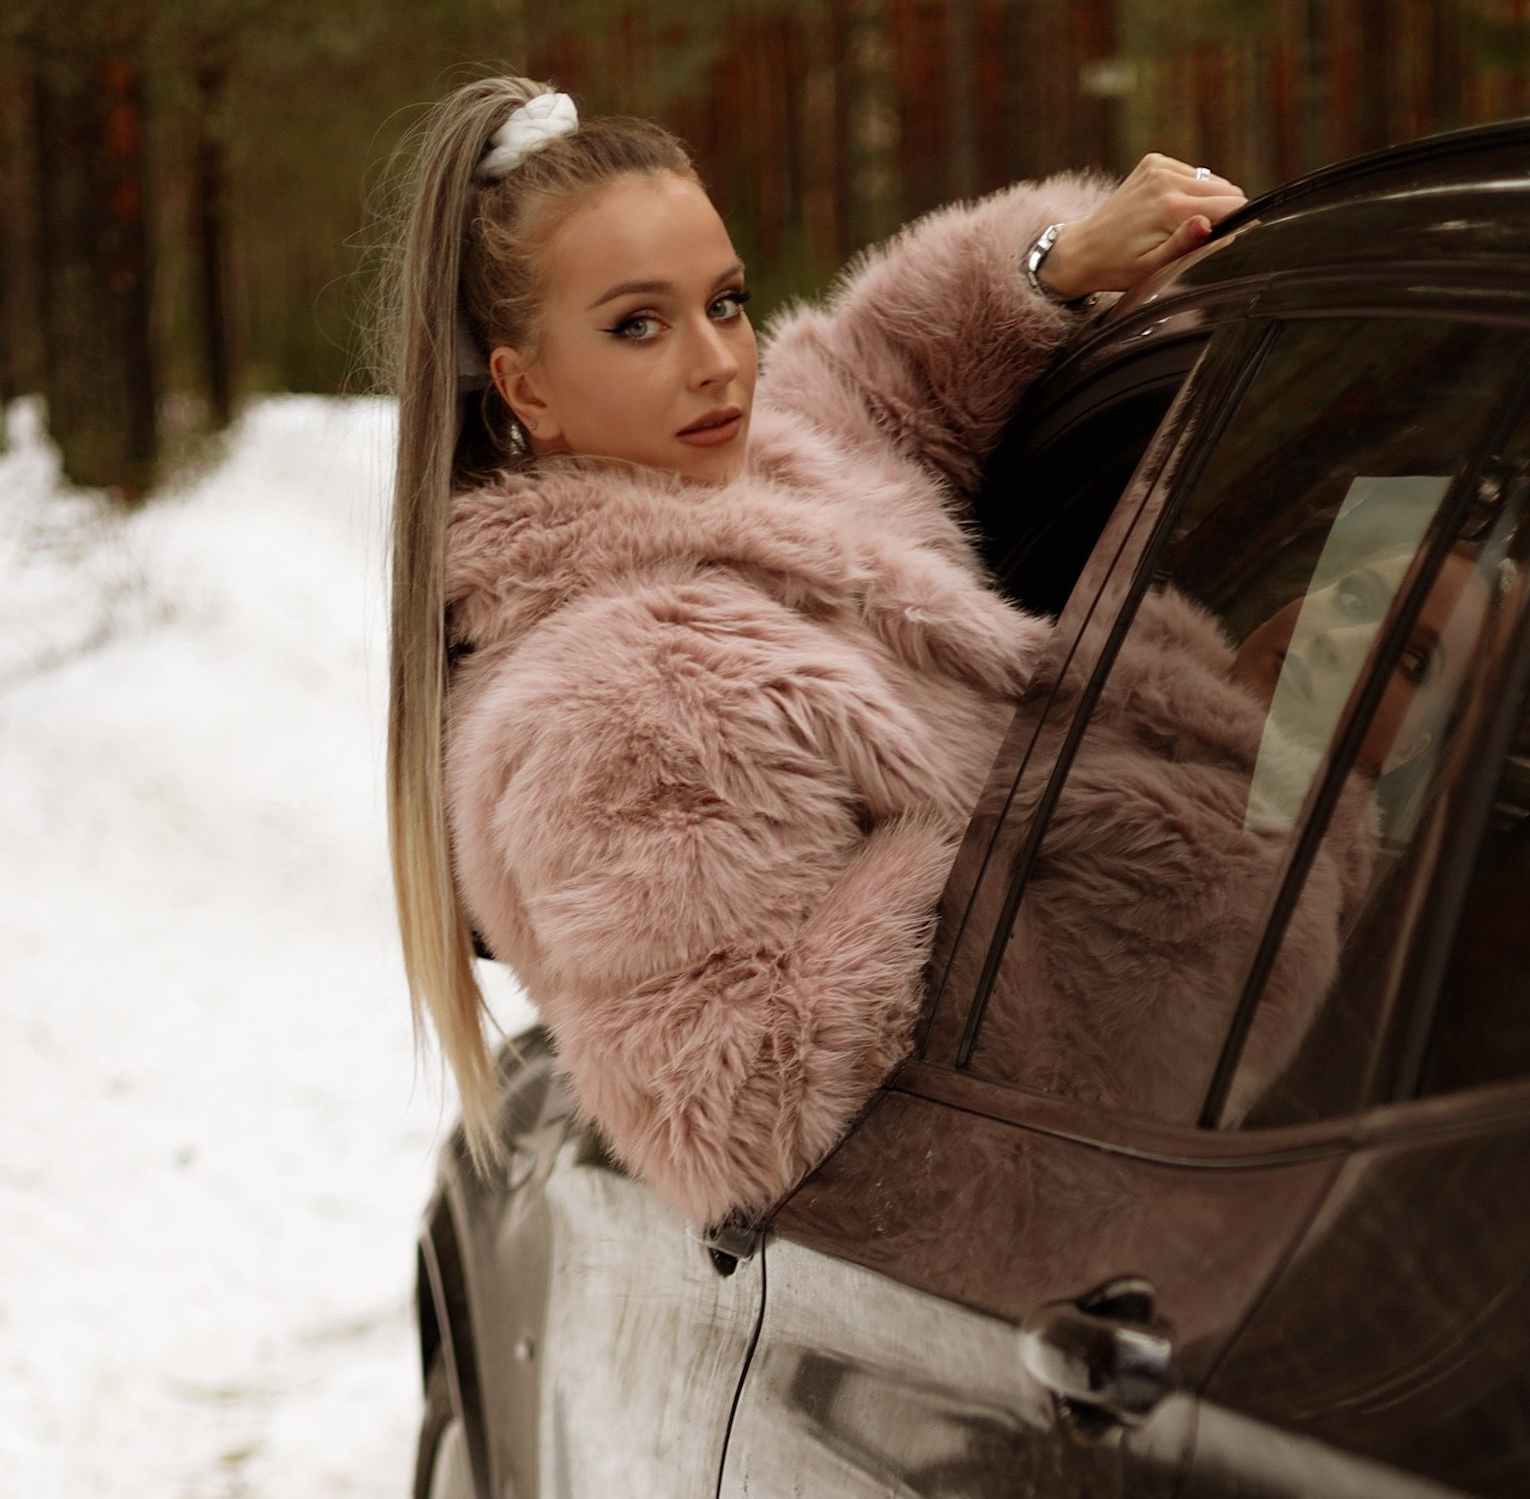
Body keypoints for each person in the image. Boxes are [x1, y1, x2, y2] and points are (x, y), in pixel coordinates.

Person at [378, 75, 1245, 1224]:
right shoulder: (621, 696)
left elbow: (895, 365)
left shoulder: (772, 470)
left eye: (725, 303)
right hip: (1114, 1212)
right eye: (639, 324)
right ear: (524, 386)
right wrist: (984, 840)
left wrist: (1057, 258)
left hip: (1206, 1119)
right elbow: (737, 1104)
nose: (717, 364)